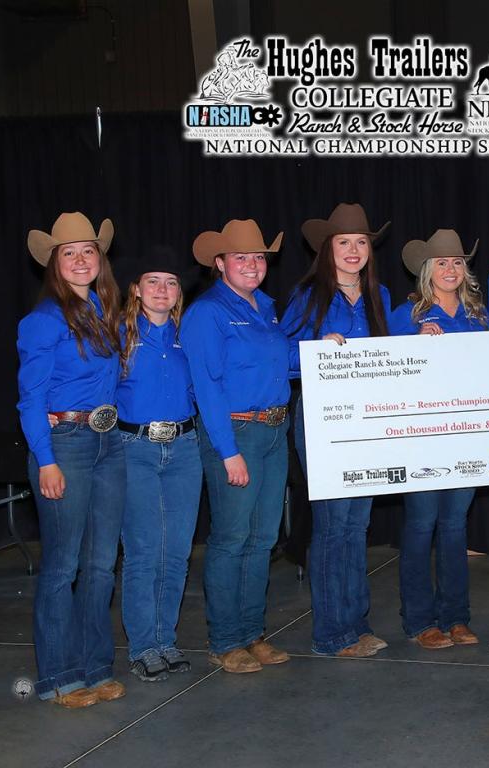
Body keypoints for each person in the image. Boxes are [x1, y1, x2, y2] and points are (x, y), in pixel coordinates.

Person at [18, 212, 126, 708]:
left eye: (88, 251)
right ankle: (58, 678)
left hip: (108, 443)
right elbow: (30, 397)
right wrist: (45, 460)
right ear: (55, 264)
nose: (81, 260)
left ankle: (96, 667)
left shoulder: (107, 311)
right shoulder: (42, 321)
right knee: (63, 566)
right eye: (70, 253)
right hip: (64, 444)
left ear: (99, 259)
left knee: (101, 564)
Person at [180, 220, 291, 674]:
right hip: (236, 432)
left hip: (274, 430)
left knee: (263, 537)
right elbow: (206, 386)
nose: (252, 264)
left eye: (259, 257)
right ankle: (225, 639)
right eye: (241, 257)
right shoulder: (207, 312)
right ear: (220, 263)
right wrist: (227, 451)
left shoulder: (266, 307)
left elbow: (281, 366)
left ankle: (252, 632)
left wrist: (328, 352)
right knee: (231, 538)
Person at [281, 203, 391, 658]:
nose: (353, 250)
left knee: (356, 523)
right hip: (324, 420)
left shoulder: (378, 295)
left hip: (369, 418)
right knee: (331, 526)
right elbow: (282, 357)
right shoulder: (309, 295)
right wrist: (313, 349)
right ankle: (331, 633)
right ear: (328, 249)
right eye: (343, 242)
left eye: (360, 242)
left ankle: (356, 622)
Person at [388, 230, 489, 650]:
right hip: (421, 437)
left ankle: (456, 617)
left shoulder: (479, 315)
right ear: (427, 270)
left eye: (457, 262)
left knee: (453, 527)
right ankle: (419, 621)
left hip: (465, 436)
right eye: (442, 263)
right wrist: (413, 343)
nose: (450, 270)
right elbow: (387, 368)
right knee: (421, 524)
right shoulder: (406, 314)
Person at [114, 248, 202, 682]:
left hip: (185, 448)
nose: (162, 290)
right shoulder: (118, 335)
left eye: (170, 283)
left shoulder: (190, 335)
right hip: (135, 448)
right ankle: (143, 646)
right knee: (144, 550)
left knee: (177, 551)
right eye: (153, 281)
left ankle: (165, 638)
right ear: (136, 289)